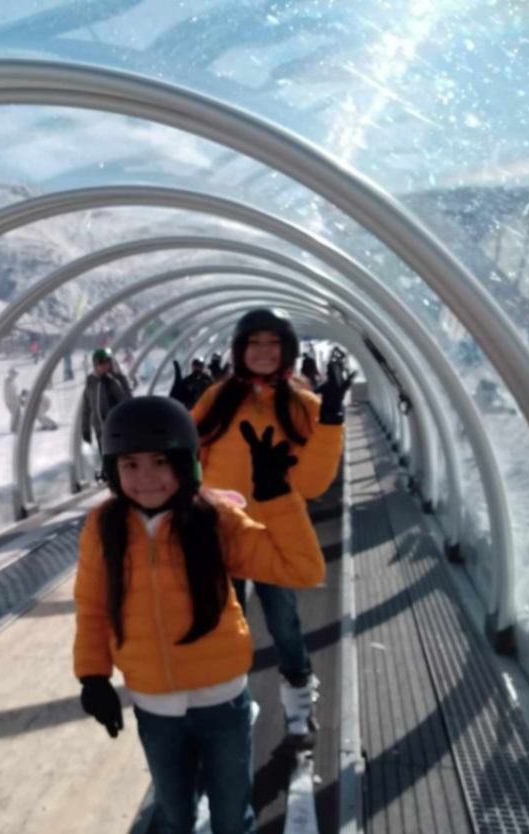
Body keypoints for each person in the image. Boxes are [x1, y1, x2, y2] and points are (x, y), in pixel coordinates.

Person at [73, 397, 324, 834]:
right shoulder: (104, 527)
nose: (146, 478)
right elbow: (93, 606)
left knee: (232, 817)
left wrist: (277, 497)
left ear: (187, 464)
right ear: (112, 470)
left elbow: (303, 569)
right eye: (130, 465)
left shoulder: (216, 519)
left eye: (160, 462)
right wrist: (93, 676)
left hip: (222, 702)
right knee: (174, 816)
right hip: (154, 707)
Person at [190, 309, 352, 748]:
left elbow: (312, 485)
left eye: (272, 343)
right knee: (223, 626)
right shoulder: (217, 399)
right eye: (254, 343)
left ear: (287, 351)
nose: (263, 352)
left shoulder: (302, 406)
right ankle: (227, 708)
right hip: (220, 533)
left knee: (283, 622)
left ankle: (299, 705)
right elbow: (190, 459)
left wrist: (331, 420)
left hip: (274, 534)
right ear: (240, 349)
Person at [80, 347, 132, 453]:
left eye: (106, 362)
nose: (104, 366)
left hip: (118, 429)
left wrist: (113, 380)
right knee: (105, 455)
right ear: (95, 365)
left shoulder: (117, 379)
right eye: (100, 363)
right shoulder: (91, 382)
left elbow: (127, 401)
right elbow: (86, 407)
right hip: (100, 430)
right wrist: (85, 429)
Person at [4, 366, 21, 432]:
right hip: (10, 402)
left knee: (17, 414)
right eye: (14, 374)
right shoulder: (8, 382)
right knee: (14, 414)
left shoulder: (12, 381)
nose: (15, 376)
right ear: (10, 374)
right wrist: (17, 398)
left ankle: (16, 427)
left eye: (16, 374)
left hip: (14, 401)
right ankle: (13, 428)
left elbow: (15, 392)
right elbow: (11, 392)